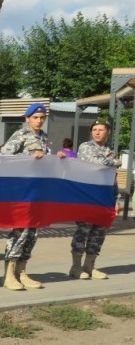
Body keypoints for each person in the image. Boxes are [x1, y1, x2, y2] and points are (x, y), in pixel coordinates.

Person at [0, 102, 62, 291]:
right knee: (20, 232)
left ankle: (22, 271)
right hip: (22, 192)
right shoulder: (20, 135)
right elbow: (3, 155)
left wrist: (57, 157)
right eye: (35, 117)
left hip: (38, 193)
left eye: (42, 118)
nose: (39, 121)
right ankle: (9, 274)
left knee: (32, 234)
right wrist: (29, 156)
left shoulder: (43, 137)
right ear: (27, 119)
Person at [65, 119, 119, 280]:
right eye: (94, 129)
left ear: (108, 132)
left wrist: (116, 199)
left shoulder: (110, 150)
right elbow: (96, 162)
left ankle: (89, 266)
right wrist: (114, 162)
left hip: (104, 198)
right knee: (83, 231)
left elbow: (112, 178)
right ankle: (75, 267)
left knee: (99, 232)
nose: (96, 132)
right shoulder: (86, 147)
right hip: (87, 197)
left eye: (100, 129)